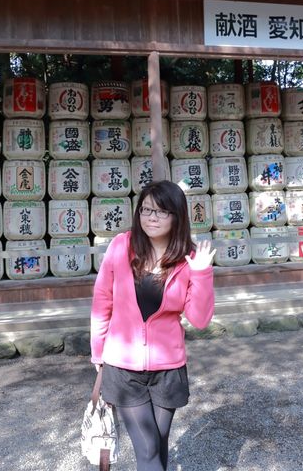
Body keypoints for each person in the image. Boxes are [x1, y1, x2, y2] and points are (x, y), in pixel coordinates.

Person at [90, 180, 216, 471]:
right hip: (123, 366)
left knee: (158, 445)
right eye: (146, 210)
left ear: (177, 216)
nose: (151, 218)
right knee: (146, 449)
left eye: (160, 212)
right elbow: (102, 301)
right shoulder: (122, 246)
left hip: (167, 368)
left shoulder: (190, 260)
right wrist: (98, 352)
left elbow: (199, 319)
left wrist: (202, 273)